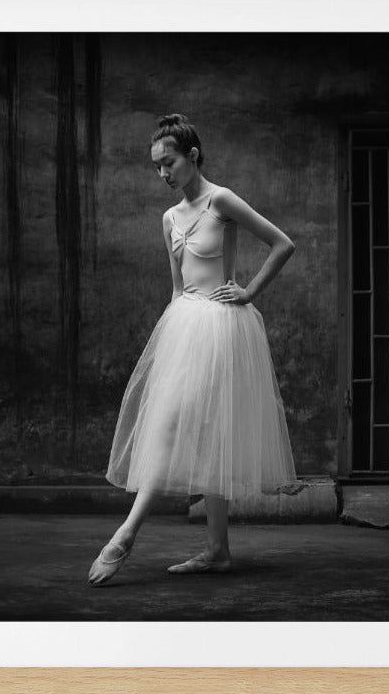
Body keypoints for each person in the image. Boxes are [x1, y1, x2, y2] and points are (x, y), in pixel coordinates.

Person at [88, 113, 298, 586]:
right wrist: (168, 348)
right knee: (180, 431)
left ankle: (124, 535)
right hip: (185, 327)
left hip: (221, 326)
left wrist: (248, 292)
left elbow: (282, 244)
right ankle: (217, 551)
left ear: (193, 156)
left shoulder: (219, 200)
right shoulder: (169, 218)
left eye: (170, 163)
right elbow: (177, 288)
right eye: (157, 167)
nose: (163, 174)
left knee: (193, 431)